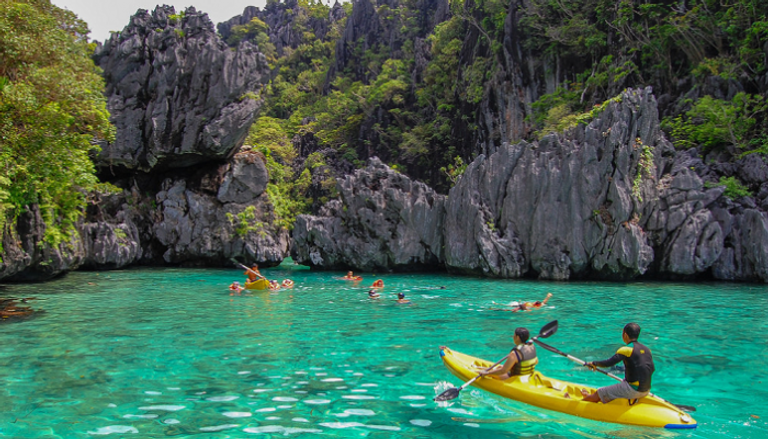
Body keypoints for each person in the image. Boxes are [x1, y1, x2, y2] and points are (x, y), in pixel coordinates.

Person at [580, 323, 655, 404]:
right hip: (646, 390)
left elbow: (608, 363)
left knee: (599, 393)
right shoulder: (648, 350)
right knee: (618, 388)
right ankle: (593, 397)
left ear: (625, 335)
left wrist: (594, 363)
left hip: (633, 390)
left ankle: (579, 402)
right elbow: (651, 369)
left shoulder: (626, 349)